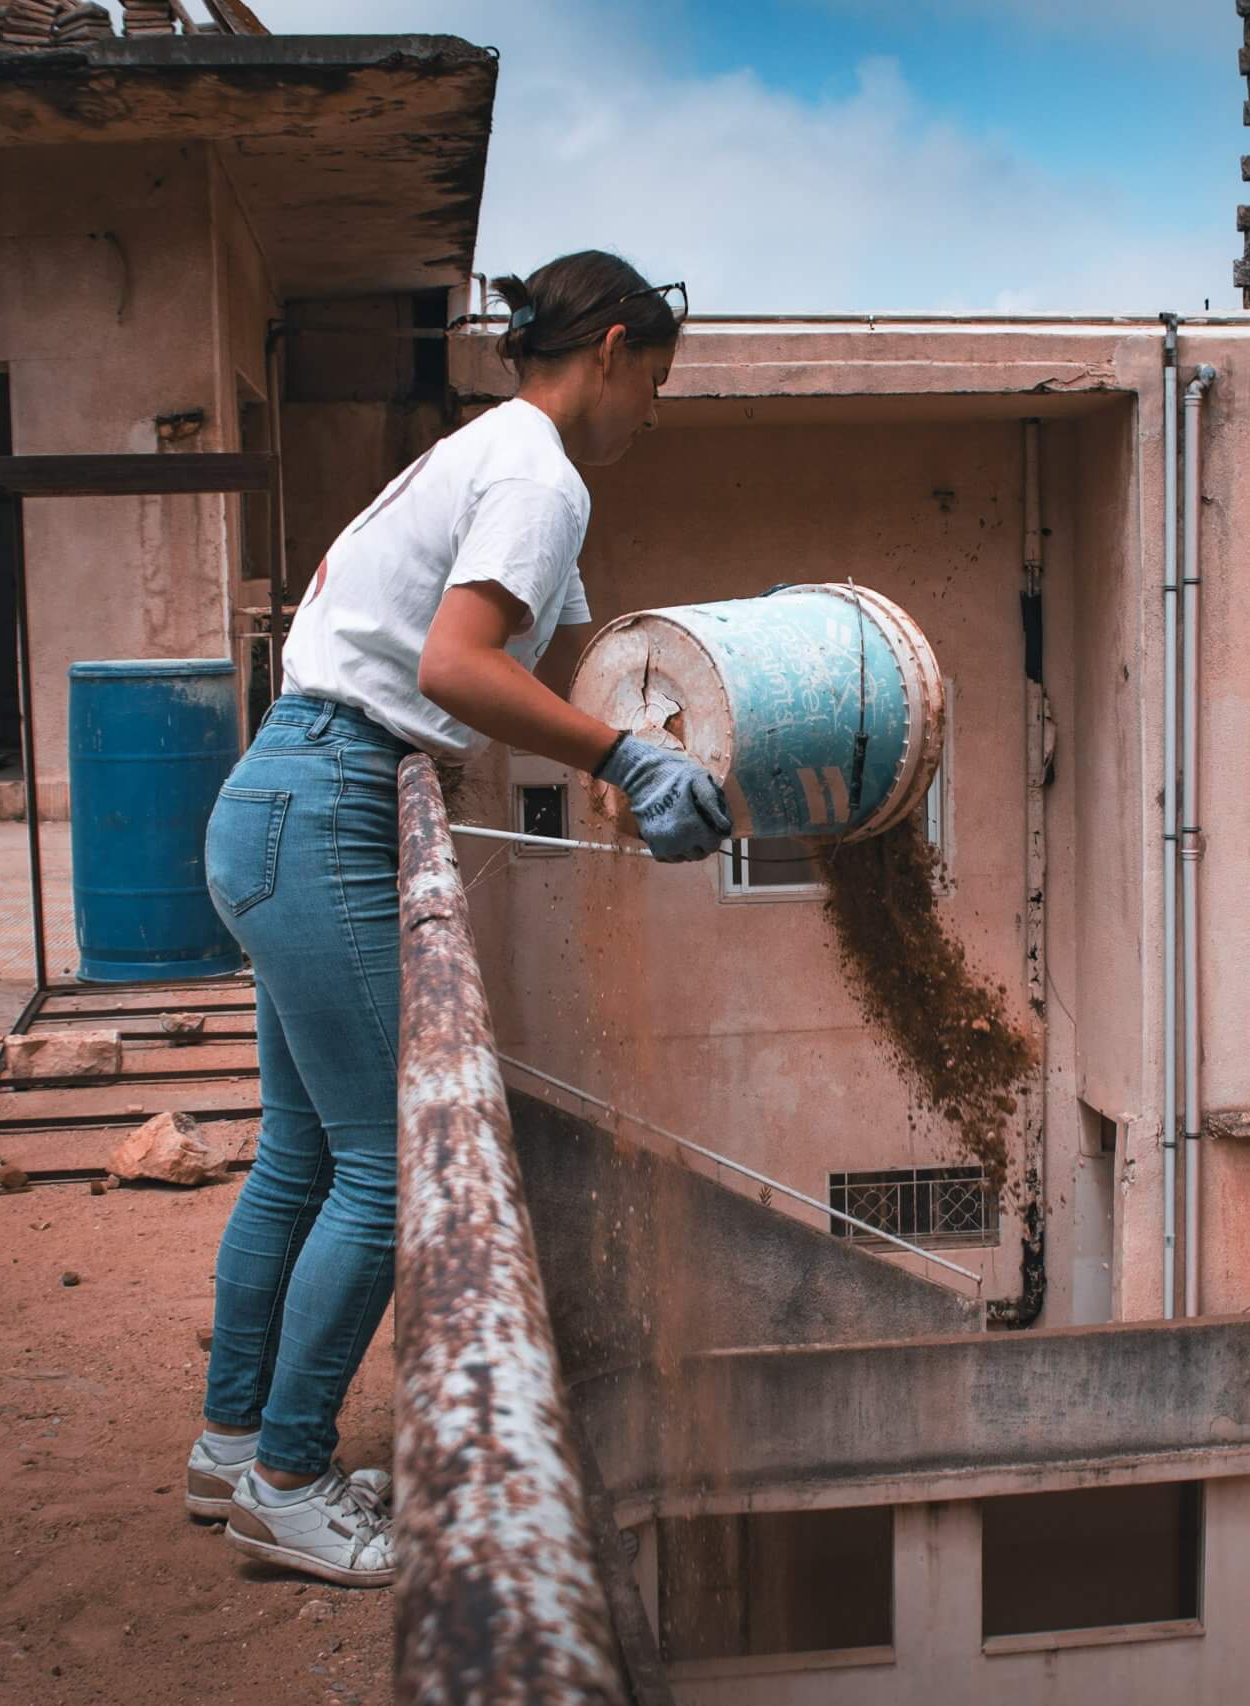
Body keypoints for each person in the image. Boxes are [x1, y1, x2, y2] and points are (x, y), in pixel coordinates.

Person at [184, 251, 728, 1588]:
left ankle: (232, 1443)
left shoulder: (485, 452)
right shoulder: (541, 475)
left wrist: (622, 745)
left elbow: (564, 679)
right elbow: (456, 666)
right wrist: (630, 759)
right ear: (610, 349)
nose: (652, 412)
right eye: (654, 383)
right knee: (390, 1168)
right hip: (327, 803)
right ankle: (288, 1481)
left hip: (279, 794)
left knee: (302, 1157)